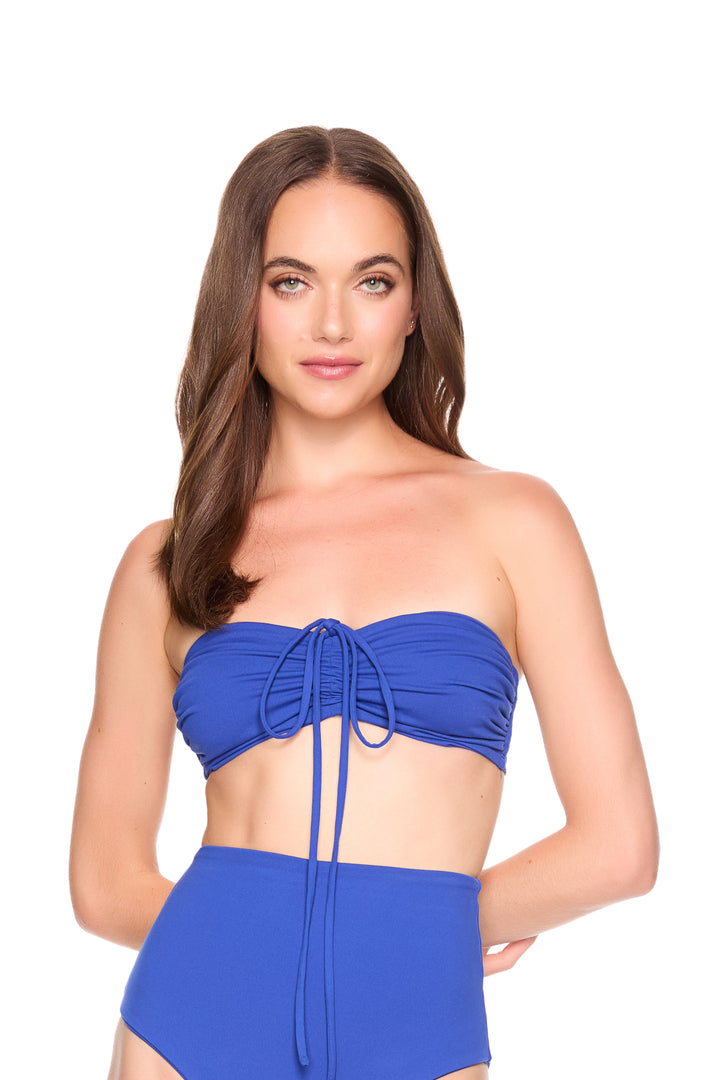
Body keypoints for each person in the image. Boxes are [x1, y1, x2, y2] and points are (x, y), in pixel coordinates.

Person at [70, 126, 659, 1080]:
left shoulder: (515, 520)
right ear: (242, 299)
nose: (333, 325)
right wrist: (322, 937)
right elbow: (103, 883)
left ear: (416, 304)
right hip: (191, 1018)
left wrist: (419, 932)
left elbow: (620, 846)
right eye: (291, 282)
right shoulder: (164, 561)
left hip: (416, 1019)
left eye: (372, 281)